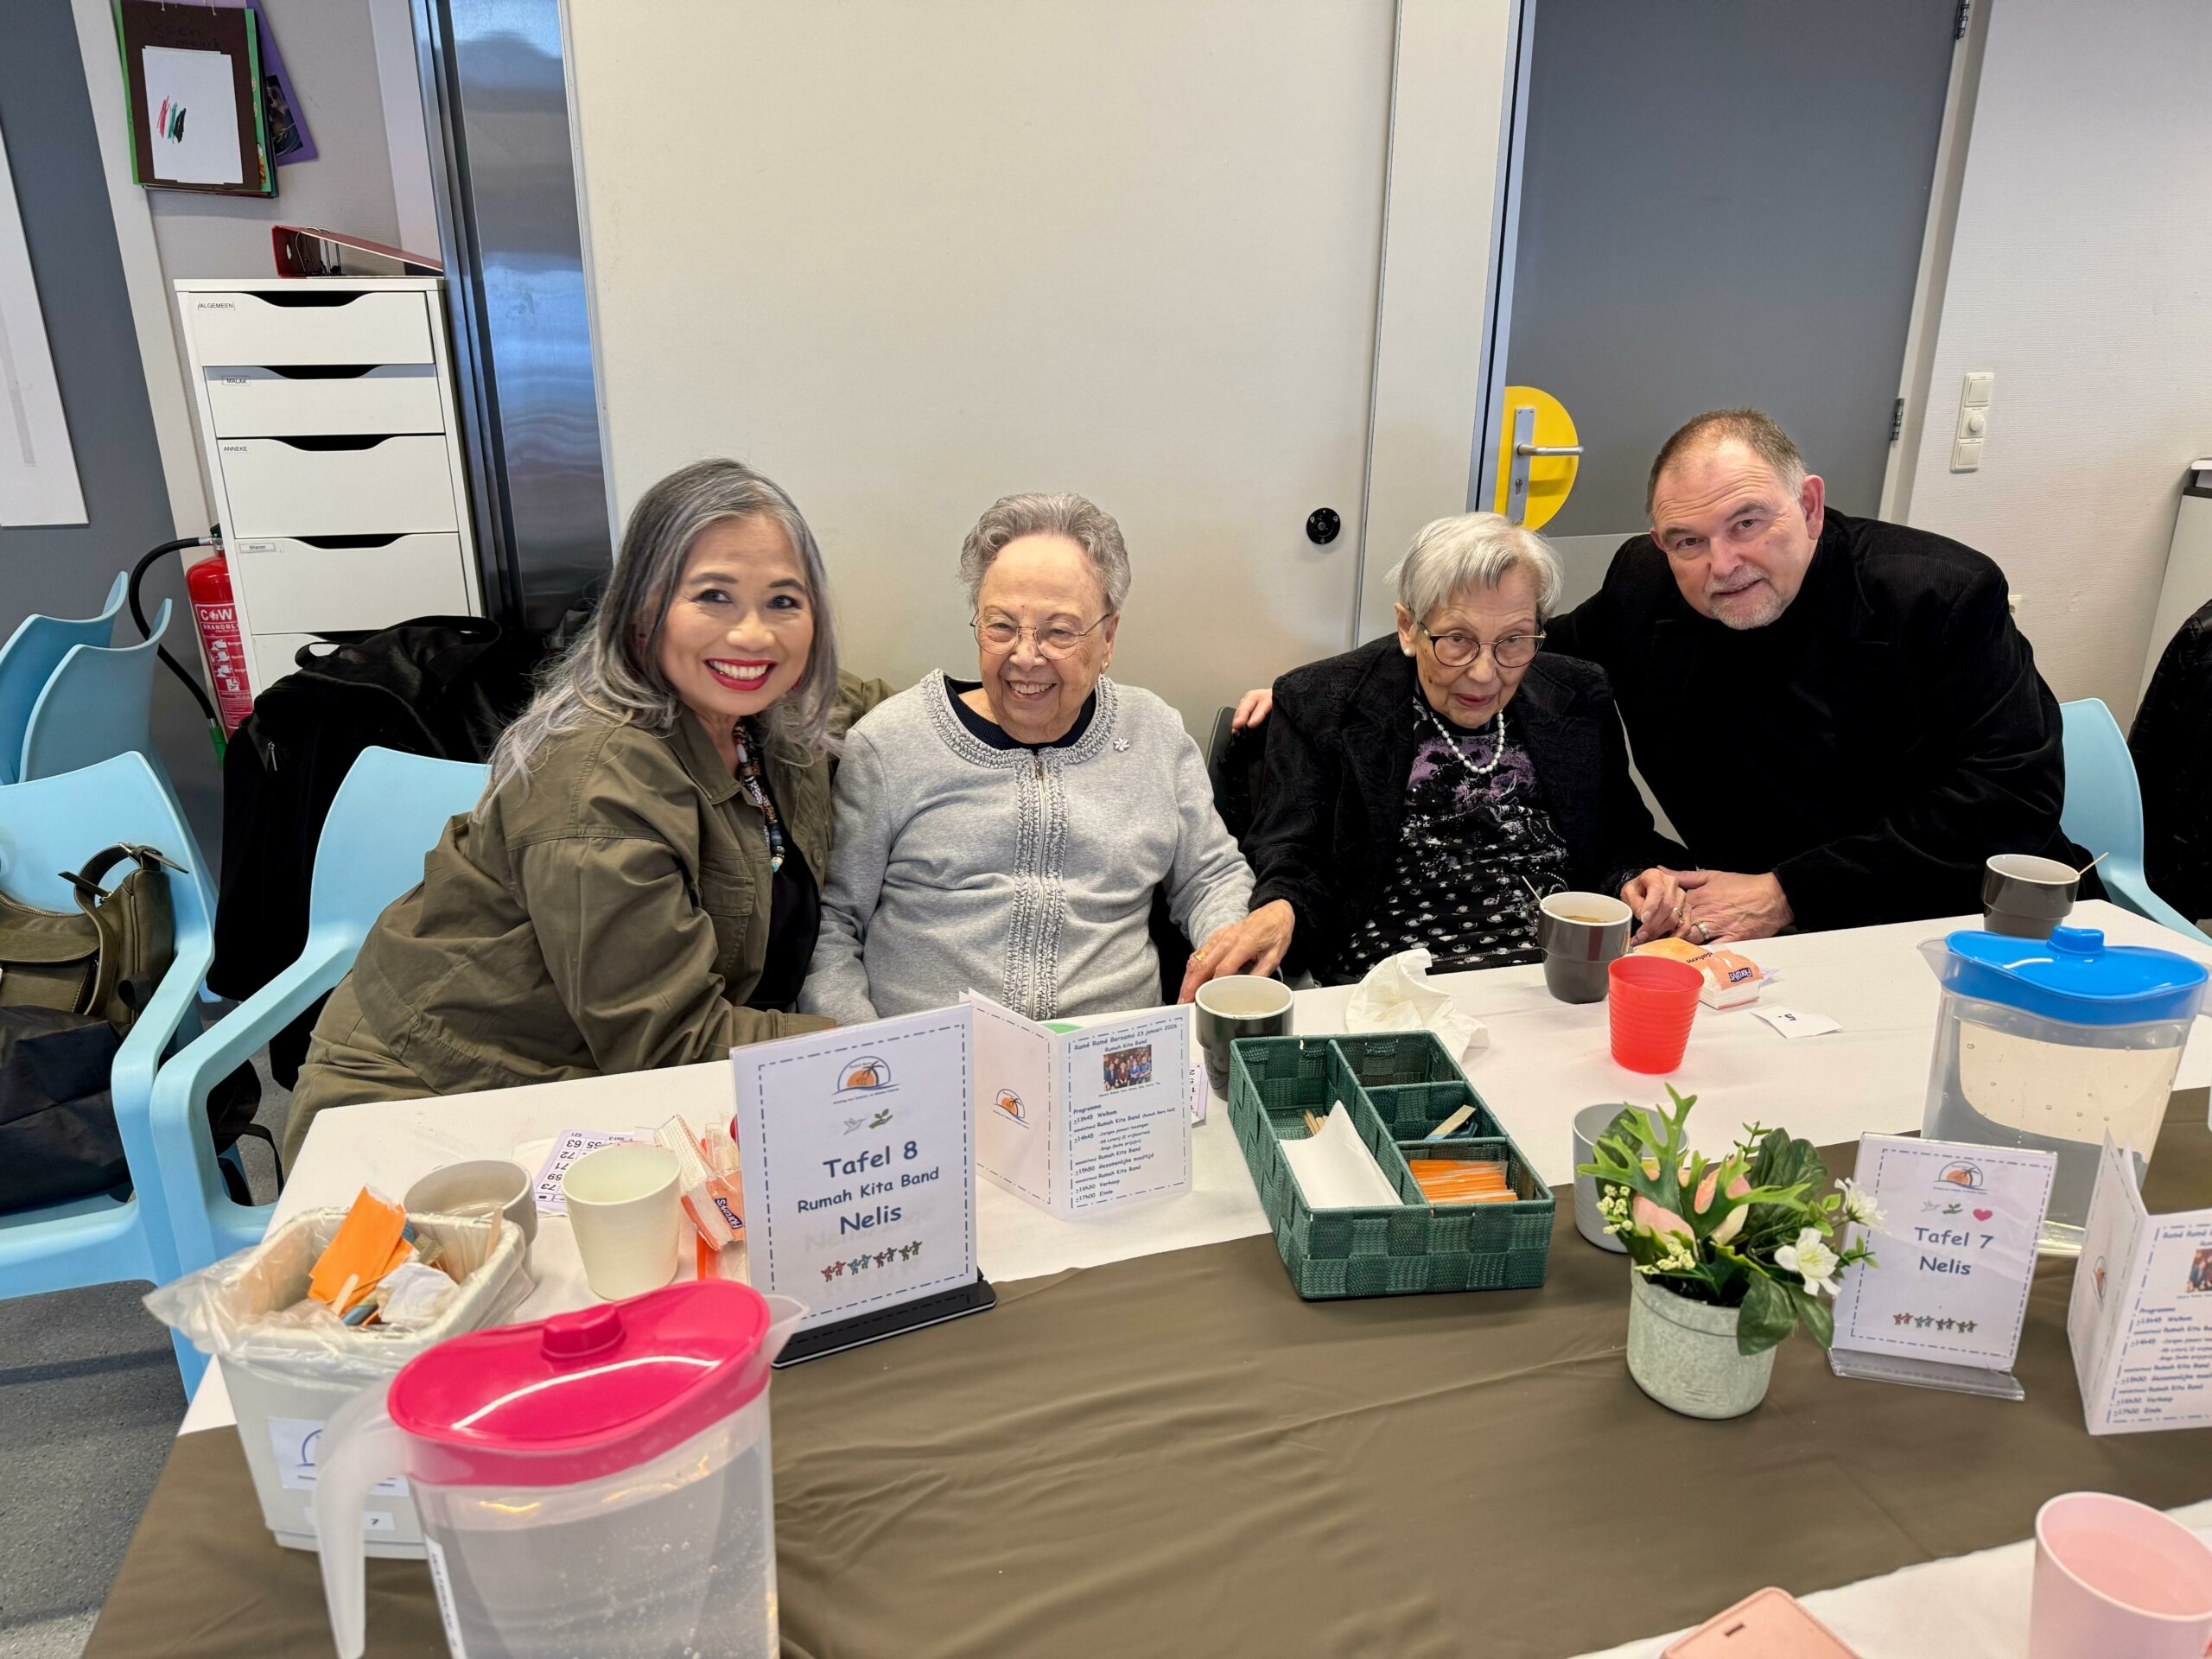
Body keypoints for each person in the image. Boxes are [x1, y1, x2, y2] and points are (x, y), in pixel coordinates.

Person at [285, 459, 883, 1161]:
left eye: (783, 601)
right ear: (642, 612)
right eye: (714, 596)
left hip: (591, 1088)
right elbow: (672, 1046)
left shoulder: (769, 714)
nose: (754, 635)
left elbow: (889, 708)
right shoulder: (598, 782)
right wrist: (886, 1047)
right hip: (433, 1102)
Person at [1540, 408, 2086, 943]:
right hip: (1753, 931)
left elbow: (2014, 797)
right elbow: (1535, 661)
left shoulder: (1938, 594)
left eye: (1747, 524)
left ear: (1809, 507)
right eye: (1688, 541)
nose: (1722, 565)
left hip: (1960, 916)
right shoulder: (1644, 583)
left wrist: (1788, 893)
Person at [801, 492, 1269, 1025]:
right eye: (1001, 626)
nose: (1025, 657)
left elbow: (1210, 877)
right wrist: (869, 1050)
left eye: (1059, 632)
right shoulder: (890, 743)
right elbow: (832, 927)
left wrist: (1228, 959)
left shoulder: (1152, 732)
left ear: (1108, 637)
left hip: (1109, 1051)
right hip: (933, 1051)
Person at [1239, 513, 1687, 983]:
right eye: (1457, 640)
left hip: (1559, 971)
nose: (1484, 673)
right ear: (1408, 627)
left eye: (1513, 641)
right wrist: (1280, 907)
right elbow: (1290, 850)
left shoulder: (1578, 693)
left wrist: (1638, 876)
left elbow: (1621, 835)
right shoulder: (1321, 702)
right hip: (1397, 977)